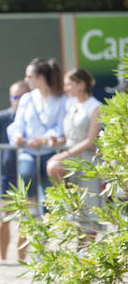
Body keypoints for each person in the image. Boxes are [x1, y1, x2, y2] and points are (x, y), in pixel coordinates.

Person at [7, 58, 66, 212]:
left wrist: (43, 139)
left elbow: (60, 127)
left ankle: (45, 228)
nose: (26, 80)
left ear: (40, 78)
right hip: (28, 150)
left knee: (48, 193)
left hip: (50, 152)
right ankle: (30, 209)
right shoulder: (27, 98)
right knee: (26, 174)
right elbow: (18, 123)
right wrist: (18, 135)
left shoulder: (61, 100)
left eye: (29, 76)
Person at [0, 80, 29, 260]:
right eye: (13, 96)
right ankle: (3, 260)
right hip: (6, 175)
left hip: (28, 174)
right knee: (5, 217)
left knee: (26, 219)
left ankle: (21, 260)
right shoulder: (1, 117)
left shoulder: (32, 119)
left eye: (21, 96)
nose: (16, 100)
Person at [47, 68, 102, 199]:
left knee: (89, 203)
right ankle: (68, 201)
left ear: (81, 85)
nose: (66, 88)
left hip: (87, 157)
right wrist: (59, 141)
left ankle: (70, 201)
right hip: (70, 153)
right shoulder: (69, 103)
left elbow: (91, 140)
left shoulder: (95, 106)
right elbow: (69, 133)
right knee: (52, 167)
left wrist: (65, 154)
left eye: (69, 84)